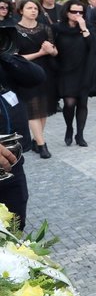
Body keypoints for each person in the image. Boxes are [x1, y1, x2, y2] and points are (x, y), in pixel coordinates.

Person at [0, 30, 46, 229]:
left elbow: (36, 76)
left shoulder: (5, 64)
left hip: (13, 159)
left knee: (16, 223)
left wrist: (6, 56)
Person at [12, 0, 58, 158]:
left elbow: (54, 51)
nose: (33, 11)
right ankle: (41, 144)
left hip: (45, 72)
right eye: (29, 8)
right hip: (25, 73)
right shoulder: (14, 30)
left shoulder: (45, 28)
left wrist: (50, 50)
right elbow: (14, 57)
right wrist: (40, 53)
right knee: (32, 110)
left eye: (35, 9)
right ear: (21, 11)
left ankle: (36, 140)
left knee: (43, 109)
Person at [53, 0, 95, 147]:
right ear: (66, 12)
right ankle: (69, 128)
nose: (77, 14)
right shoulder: (57, 28)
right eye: (74, 11)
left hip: (83, 69)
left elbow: (93, 46)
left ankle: (80, 134)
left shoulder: (87, 27)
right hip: (65, 70)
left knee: (82, 103)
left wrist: (83, 27)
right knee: (69, 103)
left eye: (80, 12)